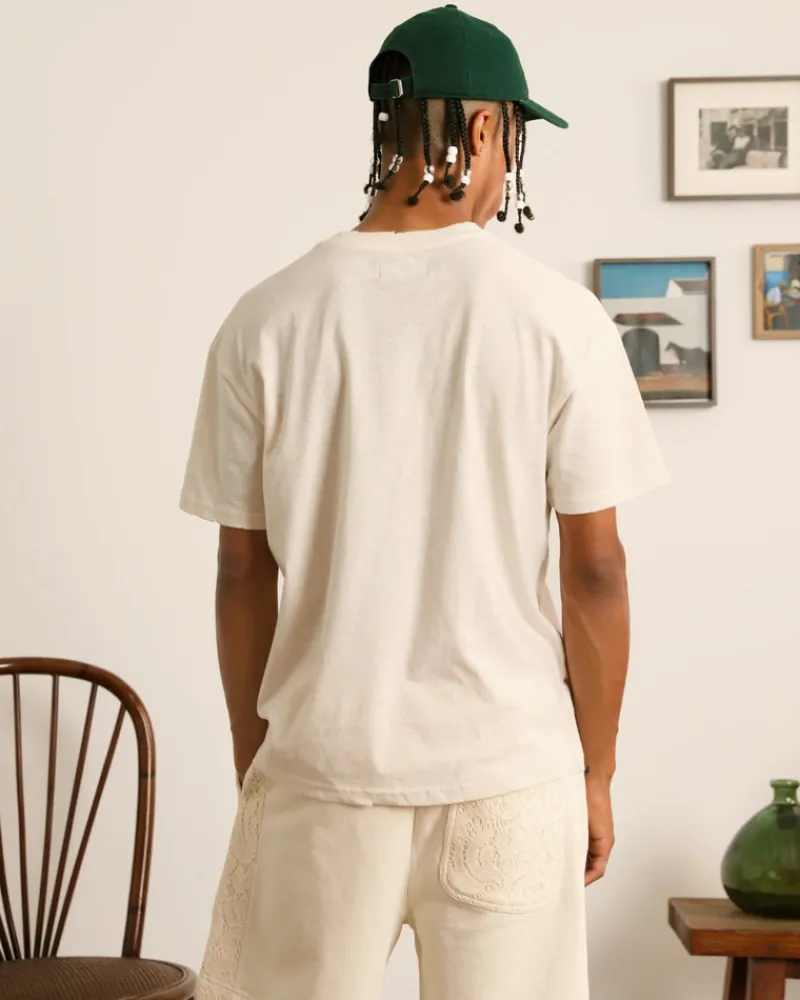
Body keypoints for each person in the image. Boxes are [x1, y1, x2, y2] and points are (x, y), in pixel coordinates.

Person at [180, 6, 668, 1000]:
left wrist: (253, 755)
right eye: (515, 136)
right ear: (486, 127)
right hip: (507, 769)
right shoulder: (557, 320)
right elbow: (595, 569)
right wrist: (597, 772)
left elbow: (240, 567)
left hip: (321, 768)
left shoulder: (265, 318)